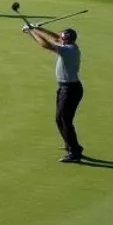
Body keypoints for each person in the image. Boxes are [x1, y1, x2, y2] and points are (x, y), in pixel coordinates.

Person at [23, 25, 85, 162]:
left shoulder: (68, 50)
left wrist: (31, 32)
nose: (60, 38)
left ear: (66, 40)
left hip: (71, 89)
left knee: (65, 120)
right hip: (66, 88)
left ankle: (75, 153)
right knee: (59, 119)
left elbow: (46, 44)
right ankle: (71, 145)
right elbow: (56, 37)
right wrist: (39, 28)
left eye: (62, 37)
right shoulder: (70, 45)